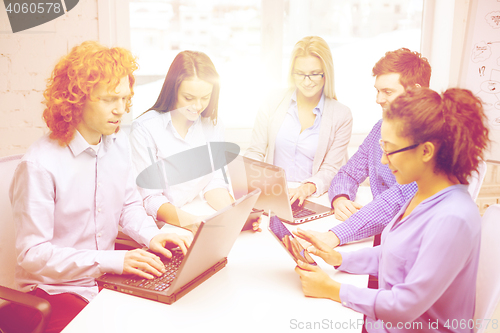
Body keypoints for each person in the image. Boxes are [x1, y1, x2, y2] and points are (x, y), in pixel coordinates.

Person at [7, 41, 192, 333]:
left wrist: (152, 236)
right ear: (76, 100)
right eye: (109, 100)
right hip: (52, 290)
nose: (121, 110)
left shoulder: (117, 144)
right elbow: (33, 255)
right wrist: (114, 260)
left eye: (124, 99)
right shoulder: (40, 164)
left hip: (104, 279)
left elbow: (129, 206)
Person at [294, 87, 489, 332]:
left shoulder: (453, 218)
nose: (384, 160)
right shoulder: (423, 193)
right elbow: (396, 256)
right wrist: (339, 258)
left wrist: (333, 289)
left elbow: (404, 307)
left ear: (426, 151)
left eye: (390, 150)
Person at [308, 48, 431, 247]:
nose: (378, 99)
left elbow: (396, 202)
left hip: (410, 246)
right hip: (382, 238)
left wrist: (334, 236)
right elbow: (348, 172)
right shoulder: (380, 129)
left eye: (388, 92)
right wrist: (340, 198)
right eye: (377, 91)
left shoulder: (429, 142)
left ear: (416, 91)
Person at [129, 51, 260, 232]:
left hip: (195, 213)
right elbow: (150, 199)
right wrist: (194, 223)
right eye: (188, 98)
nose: (198, 106)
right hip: (158, 227)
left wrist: (235, 214)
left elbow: (214, 182)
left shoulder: (212, 125)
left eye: (205, 98)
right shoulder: (145, 129)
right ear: (172, 90)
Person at [245, 36, 353, 206]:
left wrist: (305, 188)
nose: (306, 82)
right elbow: (255, 152)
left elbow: (331, 169)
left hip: (313, 197)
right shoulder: (273, 101)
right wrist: (255, 182)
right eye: (300, 74)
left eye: (314, 74)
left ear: (326, 74)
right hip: (273, 195)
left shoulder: (342, 115)